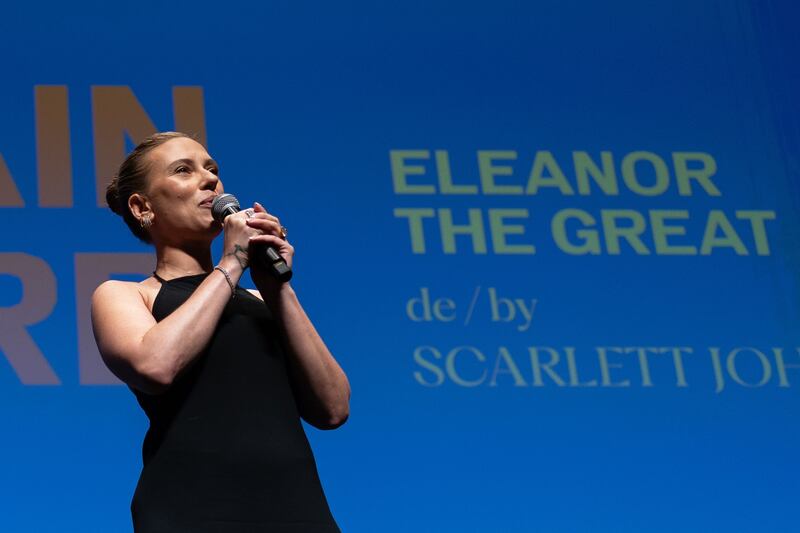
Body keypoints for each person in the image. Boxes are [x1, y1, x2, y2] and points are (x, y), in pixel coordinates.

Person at [91, 131, 350, 532]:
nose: (210, 179)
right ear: (142, 207)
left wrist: (276, 287)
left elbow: (333, 408)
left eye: (212, 169)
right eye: (183, 170)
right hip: (190, 510)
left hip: (298, 509)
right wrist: (231, 262)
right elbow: (155, 366)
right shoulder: (126, 294)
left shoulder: (263, 299)